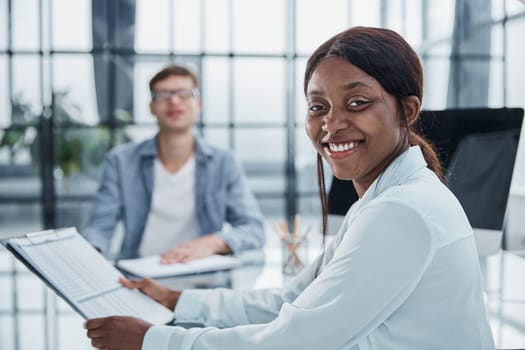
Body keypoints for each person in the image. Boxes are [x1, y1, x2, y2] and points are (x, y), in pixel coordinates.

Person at [85, 27, 495, 349]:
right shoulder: (385, 198)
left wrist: (154, 341)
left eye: (356, 103)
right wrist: (178, 300)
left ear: (407, 110)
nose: (331, 124)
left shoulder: (401, 211)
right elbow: (291, 301)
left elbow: (296, 340)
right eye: (318, 107)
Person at [82, 64, 265, 262]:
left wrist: (212, 243)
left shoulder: (224, 163)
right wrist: (91, 255)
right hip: (140, 275)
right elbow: (100, 226)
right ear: (152, 107)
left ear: (199, 104)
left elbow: (253, 230)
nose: (174, 101)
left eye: (184, 93)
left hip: (204, 278)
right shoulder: (121, 161)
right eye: (163, 95)